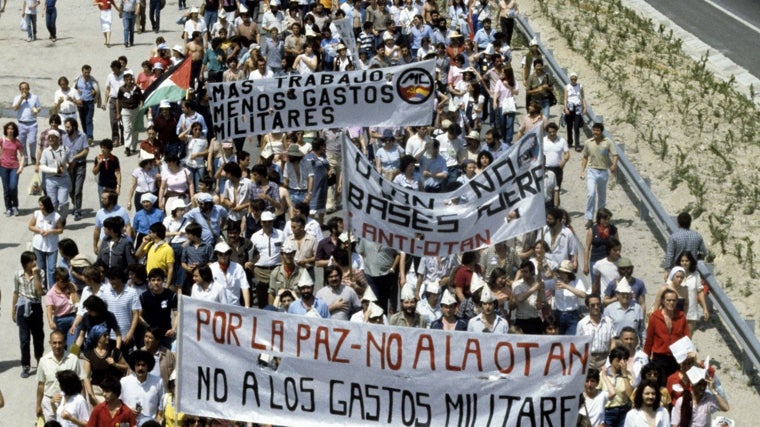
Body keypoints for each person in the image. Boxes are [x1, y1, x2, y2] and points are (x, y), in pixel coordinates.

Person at [36, 330, 83, 422]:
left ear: (64, 343)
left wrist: (82, 402)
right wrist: (38, 405)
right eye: (54, 343)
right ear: (50, 343)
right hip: (49, 402)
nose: (57, 346)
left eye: (60, 343)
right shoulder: (43, 361)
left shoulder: (73, 360)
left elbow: (81, 383)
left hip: (70, 402)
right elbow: (41, 384)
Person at [13, 251, 46, 378]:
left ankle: (39, 361)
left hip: (35, 307)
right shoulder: (18, 275)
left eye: (35, 260)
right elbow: (15, 292)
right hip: (22, 307)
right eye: (32, 261)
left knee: (38, 336)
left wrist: (36, 275)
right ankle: (25, 365)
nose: (35, 263)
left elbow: (39, 292)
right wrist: (13, 310)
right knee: (24, 339)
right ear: (25, 263)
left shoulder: (40, 273)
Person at [644, 288, 689, 380]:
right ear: (663, 301)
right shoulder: (655, 317)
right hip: (659, 357)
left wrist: (687, 357)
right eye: (668, 300)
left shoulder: (681, 317)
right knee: (661, 385)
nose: (671, 303)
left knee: (675, 384)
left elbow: (686, 338)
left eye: (673, 300)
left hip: (676, 357)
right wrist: (645, 357)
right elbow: (649, 339)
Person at [580, 122, 618, 229]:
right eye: (594, 130)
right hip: (592, 170)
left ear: (601, 131)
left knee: (602, 196)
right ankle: (589, 218)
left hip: (603, 171)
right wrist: (582, 170)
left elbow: (615, 155)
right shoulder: (588, 142)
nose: (595, 132)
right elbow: (585, 157)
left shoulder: (607, 142)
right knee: (591, 194)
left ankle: (600, 219)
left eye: (597, 130)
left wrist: (614, 165)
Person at [82, 326, 128, 406]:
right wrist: (91, 395)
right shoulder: (90, 355)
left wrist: (115, 364)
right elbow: (86, 377)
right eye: (105, 335)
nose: (108, 337)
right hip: (96, 391)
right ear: (97, 337)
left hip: (112, 391)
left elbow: (127, 368)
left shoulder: (114, 352)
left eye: (108, 335)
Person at [120, 350, 165, 426]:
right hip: (127, 422)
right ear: (133, 366)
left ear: (148, 366)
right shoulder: (124, 382)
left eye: (143, 365)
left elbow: (162, 403)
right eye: (138, 365)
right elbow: (118, 404)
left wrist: (158, 421)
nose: (140, 368)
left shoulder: (158, 381)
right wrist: (128, 410)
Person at [38, 131, 72, 223]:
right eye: (49, 138)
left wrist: (67, 170)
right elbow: (42, 166)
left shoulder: (65, 149)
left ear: (58, 139)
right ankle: (54, 221)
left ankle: (62, 218)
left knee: (63, 202)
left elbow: (71, 161)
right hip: (50, 179)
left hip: (63, 179)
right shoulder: (45, 151)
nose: (51, 139)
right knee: (52, 203)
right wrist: (54, 170)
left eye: (53, 137)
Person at [139, 269, 178, 348]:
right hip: (149, 333)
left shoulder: (171, 295)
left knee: (165, 358)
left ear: (163, 281)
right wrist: (148, 326)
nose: (156, 283)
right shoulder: (144, 296)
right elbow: (139, 315)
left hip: (165, 333)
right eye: (153, 280)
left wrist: (173, 329)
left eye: (158, 280)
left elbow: (177, 314)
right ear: (149, 281)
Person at [576, 293, 616, 370]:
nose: (596, 307)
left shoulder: (609, 322)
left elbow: (613, 343)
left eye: (598, 304)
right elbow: (578, 345)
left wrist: (610, 360)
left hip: (604, 360)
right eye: (593, 305)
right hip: (588, 361)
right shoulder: (581, 324)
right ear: (587, 307)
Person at [62, 119, 88, 221]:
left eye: (68, 127)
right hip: (69, 167)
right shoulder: (64, 137)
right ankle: (75, 205)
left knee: (78, 190)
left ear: (74, 127)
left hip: (80, 165)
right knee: (71, 190)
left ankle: (78, 211)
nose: (66, 129)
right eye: (66, 127)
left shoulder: (82, 136)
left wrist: (75, 157)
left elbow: (86, 150)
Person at [552, 260, 588, 335]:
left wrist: (566, 286)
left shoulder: (576, 281)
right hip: (559, 314)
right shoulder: (556, 281)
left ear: (568, 273)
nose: (560, 274)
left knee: (571, 339)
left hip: (572, 315)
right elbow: (542, 284)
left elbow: (583, 295)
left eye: (563, 272)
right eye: (560, 272)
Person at [209, 242, 251, 307]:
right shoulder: (211, 269)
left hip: (235, 307)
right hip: (217, 308)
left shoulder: (238, 268)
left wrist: (247, 307)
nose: (223, 256)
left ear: (229, 254)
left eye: (226, 253)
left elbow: (245, 287)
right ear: (216, 254)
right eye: (220, 254)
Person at [678, 250, 709, 336]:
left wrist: (705, 308)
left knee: (688, 339)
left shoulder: (696, 275)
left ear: (690, 262)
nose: (684, 263)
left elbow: (700, 292)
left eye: (686, 261)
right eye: (682, 261)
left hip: (691, 311)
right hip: (676, 312)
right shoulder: (675, 274)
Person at [1, 122, 26, 216]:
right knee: (6, 189)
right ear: (6, 130)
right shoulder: (2, 140)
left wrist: (21, 167)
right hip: (3, 167)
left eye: (12, 129)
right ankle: (8, 208)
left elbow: (23, 155)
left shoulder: (17, 142)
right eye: (8, 128)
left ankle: (15, 206)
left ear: (14, 130)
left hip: (14, 168)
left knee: (13, 187)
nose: (10, 130)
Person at [116, 70, 143, 157]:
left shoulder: (137, 89)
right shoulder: (121, 89)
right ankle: (127, 147)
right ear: (124, 80)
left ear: (132, 79)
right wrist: (118, 112)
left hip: (135, 110)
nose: (128, 81)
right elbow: (118, 100)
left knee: (135, 129)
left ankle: (133, 146)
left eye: (130, 79)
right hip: (125, 111)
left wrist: (141, 109)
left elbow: (141, 99)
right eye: (127, 79)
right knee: (127, 129)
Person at [14, 82, 42, 162]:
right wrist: (21, 99)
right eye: (22, 89)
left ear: (29, 89)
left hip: (32, 123)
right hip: (21, 123)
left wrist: (37, 110)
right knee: (22, 143)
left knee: (32, 141)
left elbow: (39, 108)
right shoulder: (17, 97)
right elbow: (15, 108)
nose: (24, 90)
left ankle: (33, 157)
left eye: (26, 88)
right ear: (20, 90)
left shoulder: (34, 97)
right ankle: (25, 159)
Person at [563, 71, 587, 150]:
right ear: (570, 79)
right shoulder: (567, 87)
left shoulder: (580, 86)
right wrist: (565, 108)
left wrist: (585, 107)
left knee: (576, 126)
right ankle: (569, 141)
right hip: (570, 107)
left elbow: (583, 97)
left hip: (577, 107)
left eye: (575, 79)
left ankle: (577, 144)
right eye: (572, 79)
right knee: (569, 126)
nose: (573, 80)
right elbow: (565, 98)